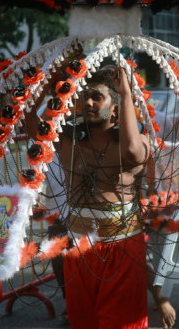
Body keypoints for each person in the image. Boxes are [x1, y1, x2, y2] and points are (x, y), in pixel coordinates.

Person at [25, 65, 151, 328]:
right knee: (83, 322)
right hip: (77, 248)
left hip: (122, 247)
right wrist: (47, 83)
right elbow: (29, 121)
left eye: (97, 97)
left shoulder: (140, 141)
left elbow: (132, 152)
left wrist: (126, 94)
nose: (89, 102)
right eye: (85, 96)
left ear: (116, 107)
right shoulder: (69, 141)